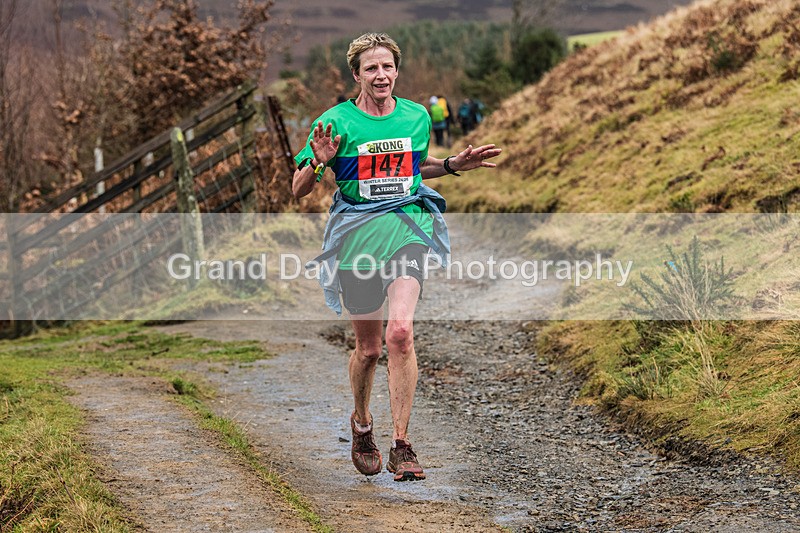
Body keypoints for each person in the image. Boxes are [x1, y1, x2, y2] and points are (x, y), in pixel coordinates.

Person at [292, 32, 501, 482]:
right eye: (371, 68)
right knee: (368, 349)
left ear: (396, 70)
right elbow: (298, 188)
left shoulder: (416, 116)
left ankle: (402, 444)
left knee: (400, 334)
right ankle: (362, 423)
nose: (381, 75)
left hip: (407, 228)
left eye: (387, 66)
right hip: (357, 241)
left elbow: (412, 168)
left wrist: (449, 166)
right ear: (357, 75)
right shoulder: (335, 122)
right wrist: (320, 163)